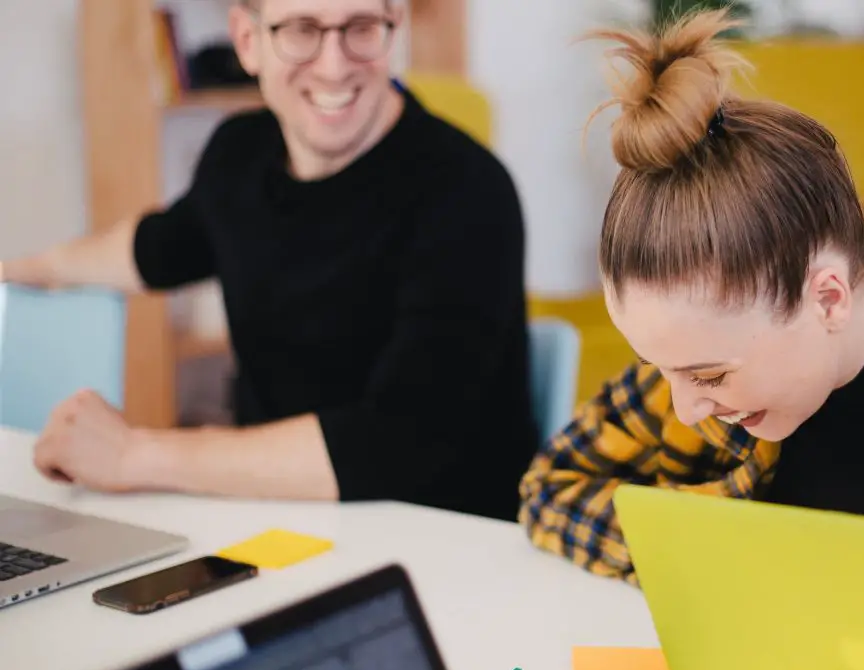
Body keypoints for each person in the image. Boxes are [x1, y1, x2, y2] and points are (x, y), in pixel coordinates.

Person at [519, 9, 864, 582]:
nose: (686, 408)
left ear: (829, 298)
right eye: (661, 369)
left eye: (709, 377)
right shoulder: (698, 351)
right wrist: (720, 556)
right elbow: (551, 486)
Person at [1, 0, 537, 521]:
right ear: (248, 40)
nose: (333, 65)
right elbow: (158, 248)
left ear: (393, 28)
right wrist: (33, 268)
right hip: (281, 522)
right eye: (301, 29)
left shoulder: (467, 189)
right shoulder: (240, 153)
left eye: (361, 26)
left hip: (448, 546)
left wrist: (133, 454)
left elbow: (397, 442)